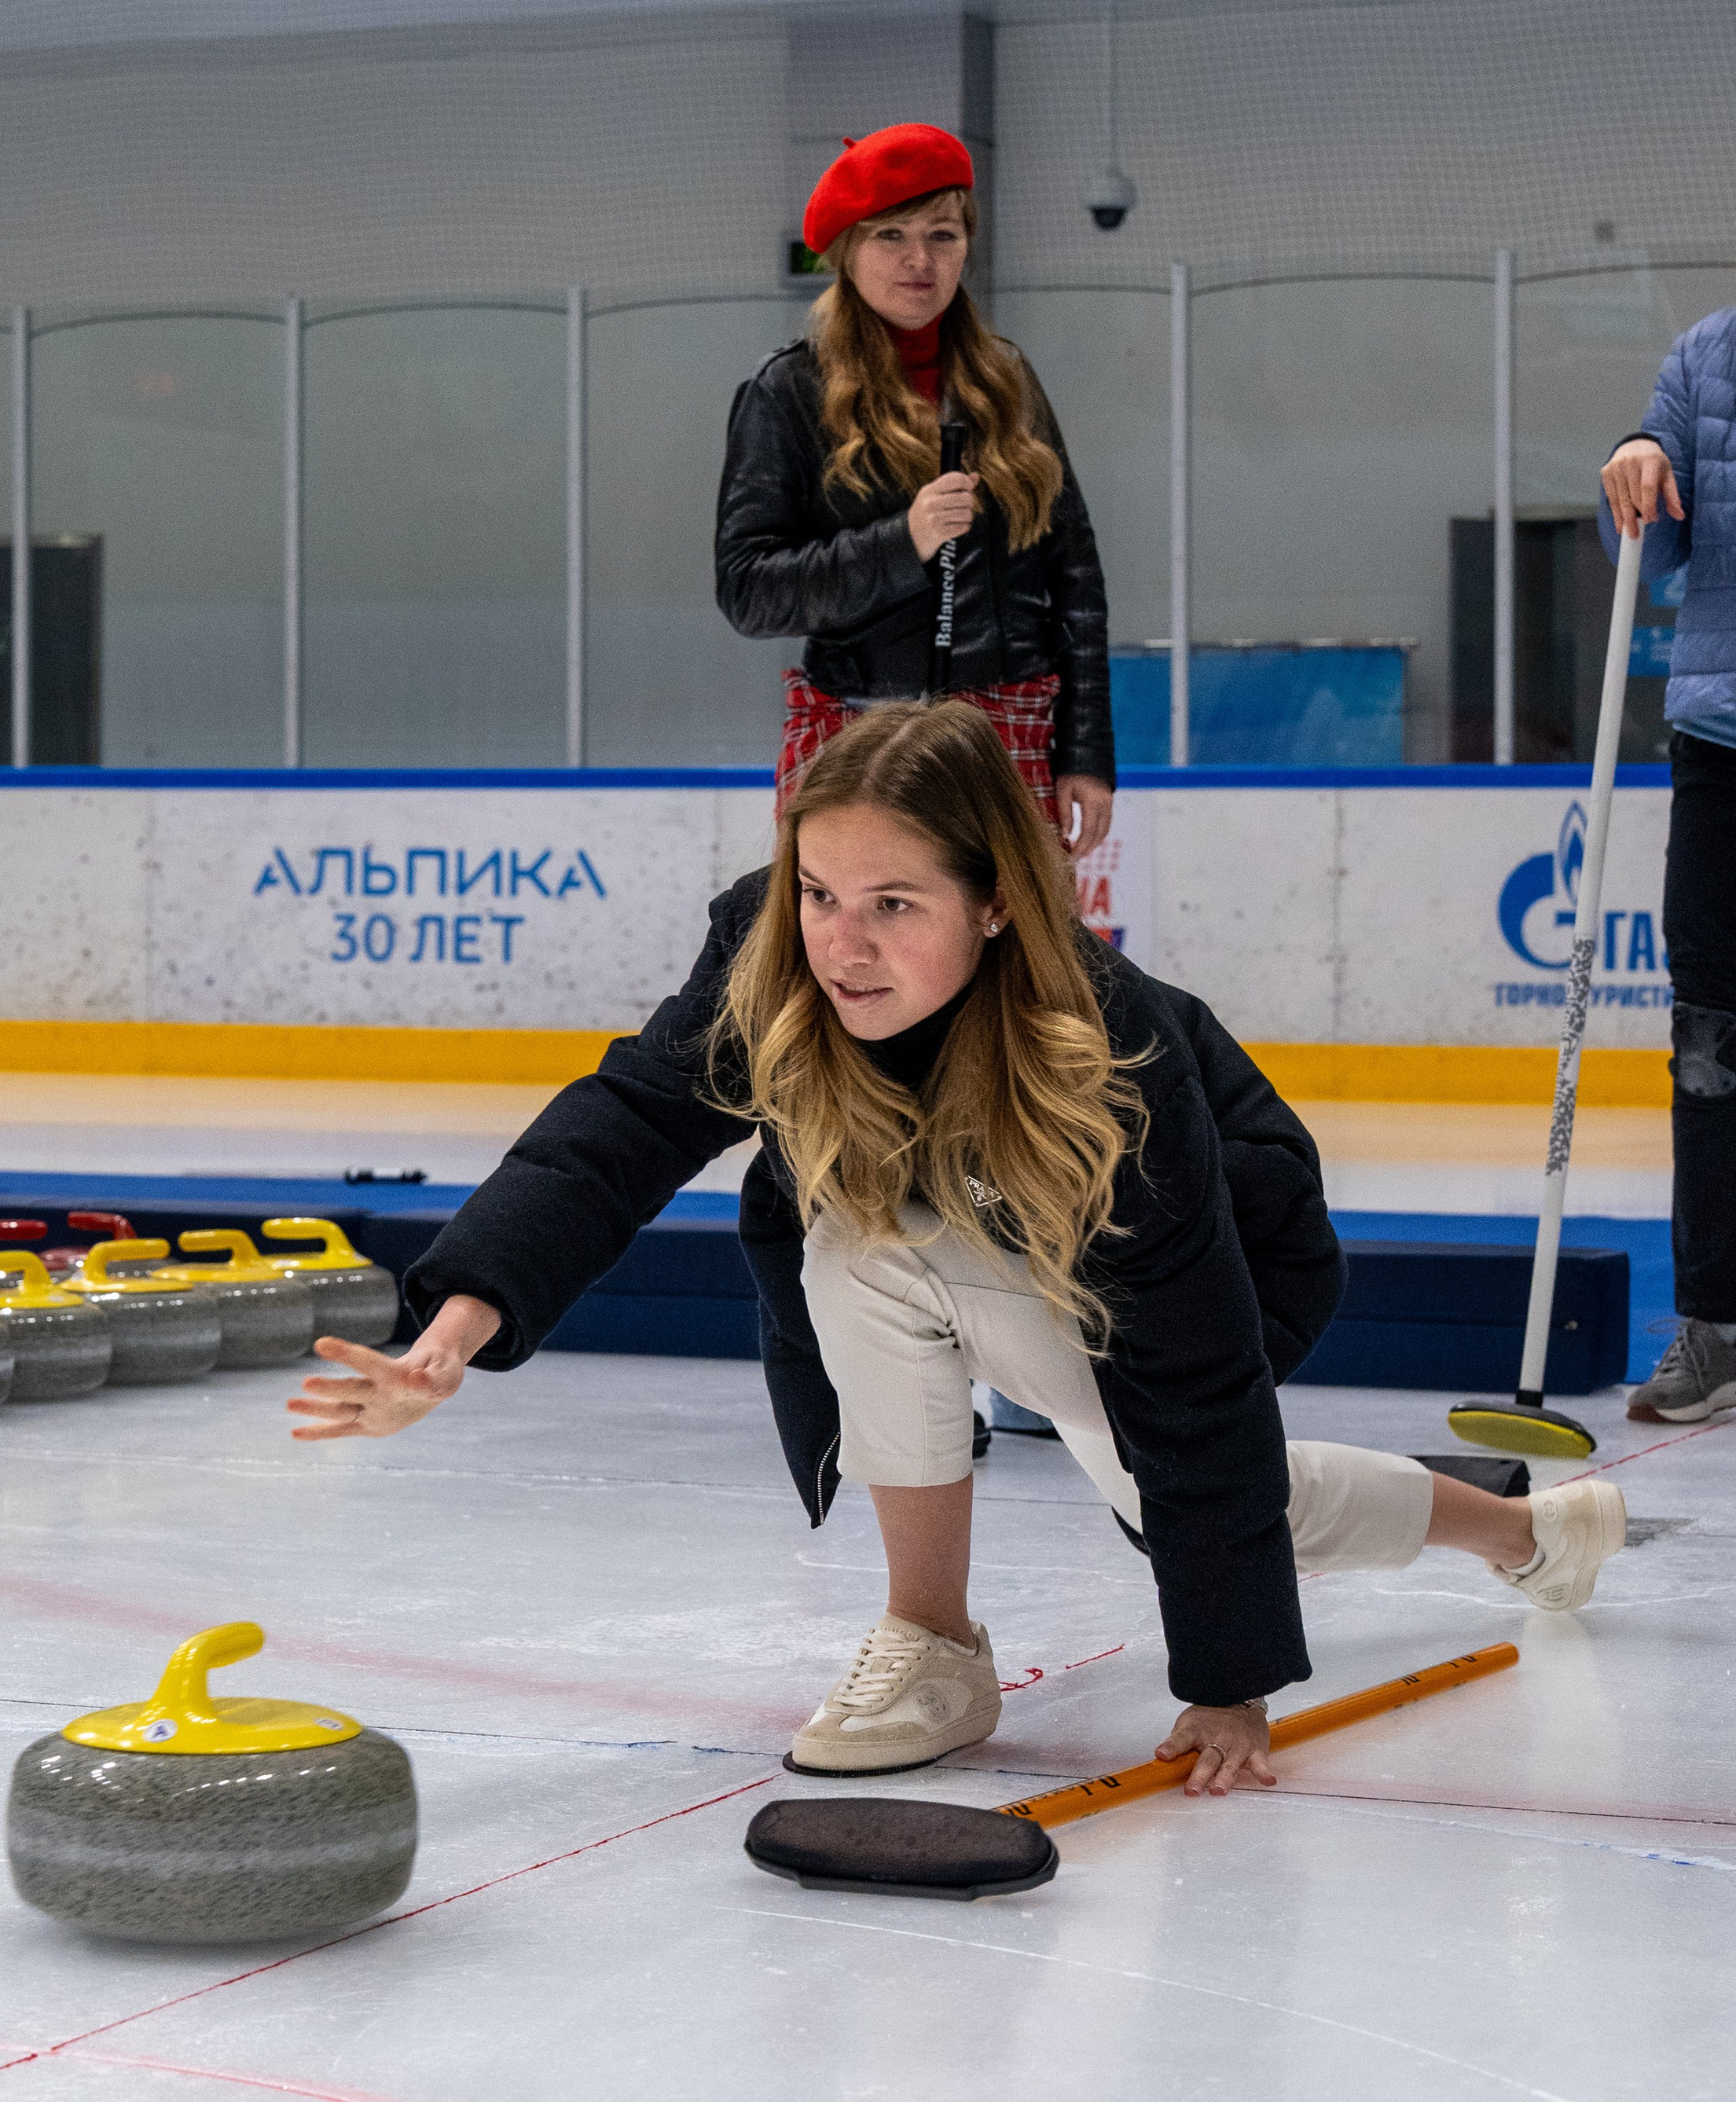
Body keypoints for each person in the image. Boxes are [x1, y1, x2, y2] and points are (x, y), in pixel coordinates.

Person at [288, 708, 1625, 1790]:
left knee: (1175, 1484)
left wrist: (1229, 1682)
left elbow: (1200, 1380)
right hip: (962, 1232)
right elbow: (621, 1127)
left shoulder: (1105, 1059)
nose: (841, 944)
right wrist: (453, 1332)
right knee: (854, 1243)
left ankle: (1512, 1532)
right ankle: (938, 1640)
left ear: (992, 904)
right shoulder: (774, 967)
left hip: (1219, 1262)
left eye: (892, 904)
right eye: (817, 893)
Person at [715, 120, 1115, 863]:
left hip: (1009, 727)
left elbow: (1076, 580)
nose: (920, 260)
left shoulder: (1007, 379)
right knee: (848, 957)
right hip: (856, 728)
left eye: (943, 234)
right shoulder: (787, 392)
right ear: (846, 251)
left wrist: (1086, 752)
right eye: (890, 236)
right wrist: (904, 542)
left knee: (1017, 968)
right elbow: (748, 590)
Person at [1601, 315, 1736, 1424]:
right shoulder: (1703, 357)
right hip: (1720, 745)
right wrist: (1640, 467)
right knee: (1710, 1041)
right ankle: (1718, 1326)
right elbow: (1648, 551)